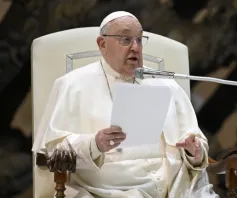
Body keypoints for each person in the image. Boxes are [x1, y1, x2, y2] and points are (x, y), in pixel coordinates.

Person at [32, 11, 219, 198]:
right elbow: (54, 152)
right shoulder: (72, 85)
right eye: (126, 40)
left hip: (178, 189)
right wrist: (94, 144)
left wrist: (194, 152)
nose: (135, 47)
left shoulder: (166, 84)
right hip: (111, 192)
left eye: (139, 40)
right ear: (102, 44)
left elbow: (197, 148)